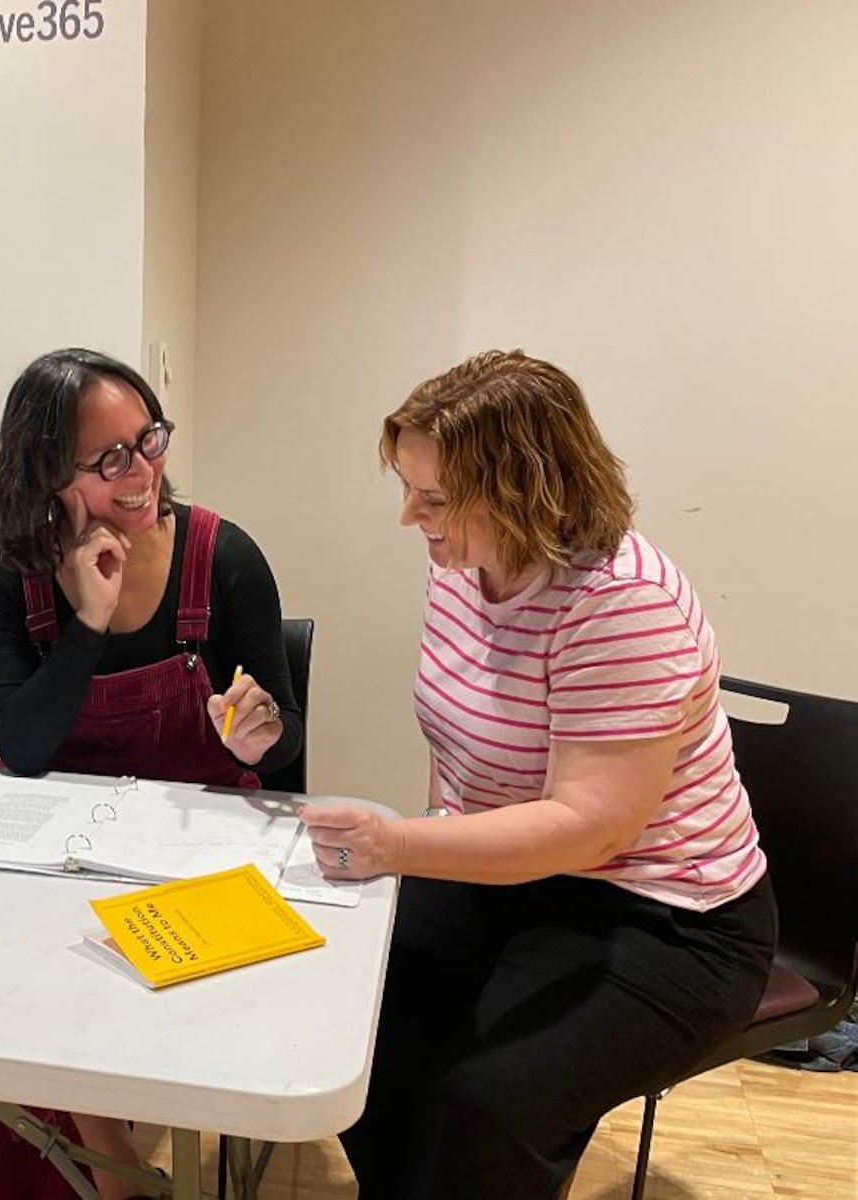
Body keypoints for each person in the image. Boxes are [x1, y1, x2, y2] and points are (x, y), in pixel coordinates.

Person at [299, 350, 775, 1199]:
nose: (410, 516)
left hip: (665, 914)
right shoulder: (464, 565)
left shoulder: (624, 604)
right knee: (349, 1029)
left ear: (525, 490)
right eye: (408, 488)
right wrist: (423, 839)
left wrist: (393, 844)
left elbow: (594, 826)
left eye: (435, 498)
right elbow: (465, 741)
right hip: (515, 874)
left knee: (481, 1108)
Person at [0, 347, 303, 1200]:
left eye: (149, 440)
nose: (143, 472)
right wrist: (89, 620)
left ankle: (113, 1172)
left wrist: (257, 738)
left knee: (74, 1023)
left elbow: (286, 740)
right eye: (110, 459)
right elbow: (25, 745)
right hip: (55, 854)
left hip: (197, 849)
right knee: (25, 992)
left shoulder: (225, 557)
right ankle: (117, 1166)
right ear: (44, 473)